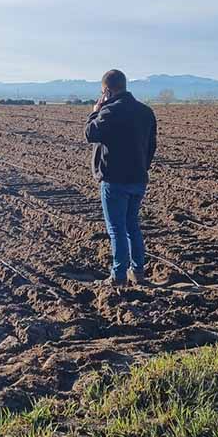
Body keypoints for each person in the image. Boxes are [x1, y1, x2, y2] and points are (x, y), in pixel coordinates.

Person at [84, 69, 157, 286]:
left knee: (116, 229)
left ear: (106, 91)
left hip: (114, 180)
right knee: (132, 225)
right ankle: (138, 271)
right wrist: (142, 167)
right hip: (138, 179)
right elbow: (151, 146)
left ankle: (118, 275)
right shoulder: (146, 112)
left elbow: (90, 134)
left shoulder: (109, 111)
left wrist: (95, 112)